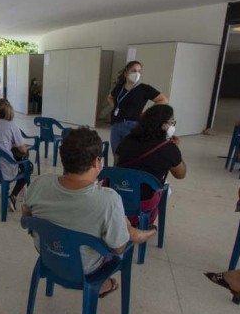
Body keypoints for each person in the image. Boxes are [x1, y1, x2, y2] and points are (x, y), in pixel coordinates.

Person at [22, 127, 156, 296]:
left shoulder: (39, 183)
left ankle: (128, 229)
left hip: (48, 254)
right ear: (96, 162)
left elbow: (26, 215)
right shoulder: (109, 199)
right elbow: (119, 248)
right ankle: (103, 282)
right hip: (87, 267)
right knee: (119, 237)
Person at [115, 104, 186, 228]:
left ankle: (128, 221)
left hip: (119, 193)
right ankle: (145, 223)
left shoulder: (127, 140)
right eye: (172, 122)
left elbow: (117, 165)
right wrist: (176, 150)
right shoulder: (169, 148)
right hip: (144, 200)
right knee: (162, 188)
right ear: (163, 125)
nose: (173, 125)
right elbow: (181, 174)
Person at [106, 61, 168, 152]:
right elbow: (110, 97)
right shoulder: (120, 87)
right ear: (126, 72)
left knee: (128, 154)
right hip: (116, 125)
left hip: (132, 126)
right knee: (116, 153)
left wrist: (146, 113)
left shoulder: (144, 89)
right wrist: (116, 107)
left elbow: (163, 100)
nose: (137, 73)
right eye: (134, 70)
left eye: (139, 71)